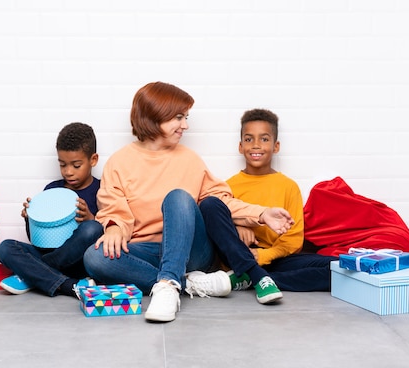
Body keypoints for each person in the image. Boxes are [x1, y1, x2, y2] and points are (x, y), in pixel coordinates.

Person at [83, 82, 294, 323]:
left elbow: (220, 202)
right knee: (94, 257)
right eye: (179, 117)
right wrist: (114, 228)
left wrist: (262, 214)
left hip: (193, 252)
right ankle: (189, 284)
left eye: (186, 117)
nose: (185, 125)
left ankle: (168, 283)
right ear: (155, 116)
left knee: (178, 197)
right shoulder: (120, 162)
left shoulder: (189, 159)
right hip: (148, 250)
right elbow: (114, 208)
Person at [225, 108, 337, 292]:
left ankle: (255, 280)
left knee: (338, 269)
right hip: (243, 257)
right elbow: (218, 225)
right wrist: (238, 228)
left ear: (276, 146)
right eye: (248, 139)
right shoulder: (228, 186)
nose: (256, 145)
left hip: (277, 257)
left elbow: (294, 240)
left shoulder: (288, 186)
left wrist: (266, 255)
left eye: (264, 139)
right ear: (240, 146)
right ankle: (255, 277)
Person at [0, 122, 103, 298]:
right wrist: (30, 219)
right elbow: (37, 241)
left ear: (93, 160)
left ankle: (32, 274)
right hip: (50, 253)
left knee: (93, 228)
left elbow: (104, 234)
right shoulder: (52, 190)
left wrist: (90, 218)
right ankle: (69, 285)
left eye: (76, 165)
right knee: (5, 248)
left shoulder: (102, 190)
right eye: (62, 165)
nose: (68, 172)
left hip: (79, 262)